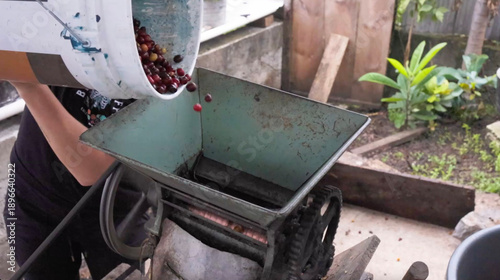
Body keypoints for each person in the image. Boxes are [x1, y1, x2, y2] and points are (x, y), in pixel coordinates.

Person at [3, 82, 145, 279]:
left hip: (114, 207)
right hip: (33, 195)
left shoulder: (158, 74)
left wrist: (28, 86)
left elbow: (91, 171)